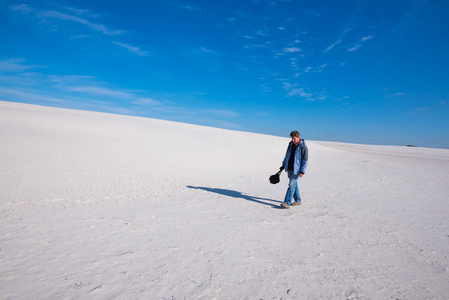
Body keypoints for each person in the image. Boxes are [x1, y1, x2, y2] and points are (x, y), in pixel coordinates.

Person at [279, 131, 308, 209]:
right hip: (289, 168)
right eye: (292, 139)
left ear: (298, 137)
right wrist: (284, 163)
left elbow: (305, 160)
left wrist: (302, 171)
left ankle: (287, 202)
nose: (293, 140)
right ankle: (298, 200)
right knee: (294, 185)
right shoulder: (290, 144)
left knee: (291, 185)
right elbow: (287, 155)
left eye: (294, 139)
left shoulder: (303, 147)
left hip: (297, 170)